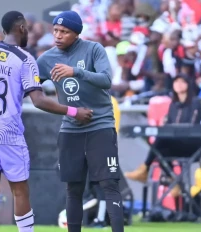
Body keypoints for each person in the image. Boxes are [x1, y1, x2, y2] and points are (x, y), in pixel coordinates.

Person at [0, 11, 93, 232]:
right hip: (6, 132)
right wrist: (74, 111)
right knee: (20, 191)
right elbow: (39, 100)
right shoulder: (25, 59)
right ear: (22, 28)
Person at [36, 11, 124, 232]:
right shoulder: (46, 59)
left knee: (109, 185)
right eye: (55, 30)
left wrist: (76, 71)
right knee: (73, 188)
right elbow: (30, 86)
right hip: (71, 128)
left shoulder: (94, 49)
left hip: (101, 125)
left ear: (76, 34)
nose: (58, 35)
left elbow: (106, 80)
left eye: (64, 32)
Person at [125, 74, 201, 196]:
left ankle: (145, 169)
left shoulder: (195, 103)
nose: (179, 84)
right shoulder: (173, 105)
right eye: (176, 81)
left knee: (160, 141)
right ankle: (174, 181)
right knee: (160, 151)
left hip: (191, 145)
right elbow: (168, 125)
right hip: (175, 143)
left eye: (182, 82)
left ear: (188, 85)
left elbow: (191, 127)